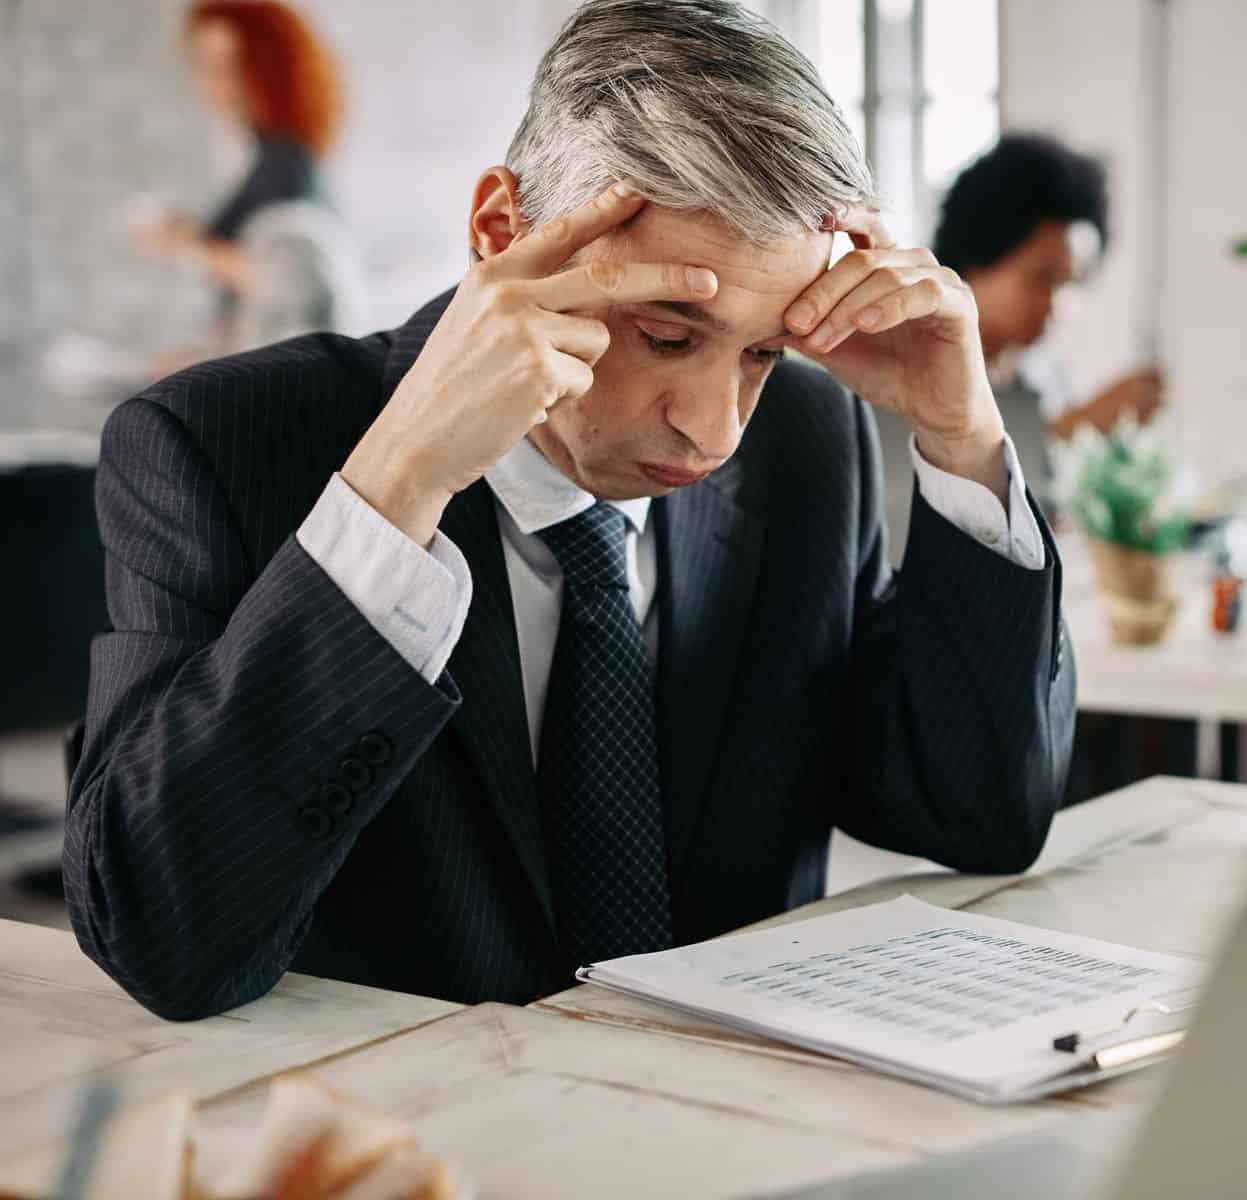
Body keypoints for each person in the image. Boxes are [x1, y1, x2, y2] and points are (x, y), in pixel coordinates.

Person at [66, 0, 1076, 1020]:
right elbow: (162, 939)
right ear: (504, 234)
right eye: (668, 337)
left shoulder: (808, 446)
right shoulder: (215, 448)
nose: (716, 430)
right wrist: (396, 490)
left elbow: (980, 817)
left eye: (764, 351)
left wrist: (962, 438)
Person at [933, 134, 1162, 501]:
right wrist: (1073, 429)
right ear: (976, 261)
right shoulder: (917, 366)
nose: (1057, 306)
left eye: (1072, 283)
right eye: (1041, 279)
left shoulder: (1044, 369)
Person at [134, 0, 363, 362]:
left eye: (227, 67)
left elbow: (286, 283)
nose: (210, 83)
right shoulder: (267, 156)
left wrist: (190, 246)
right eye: (203, 65)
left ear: (266, 70)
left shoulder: (285, 164)